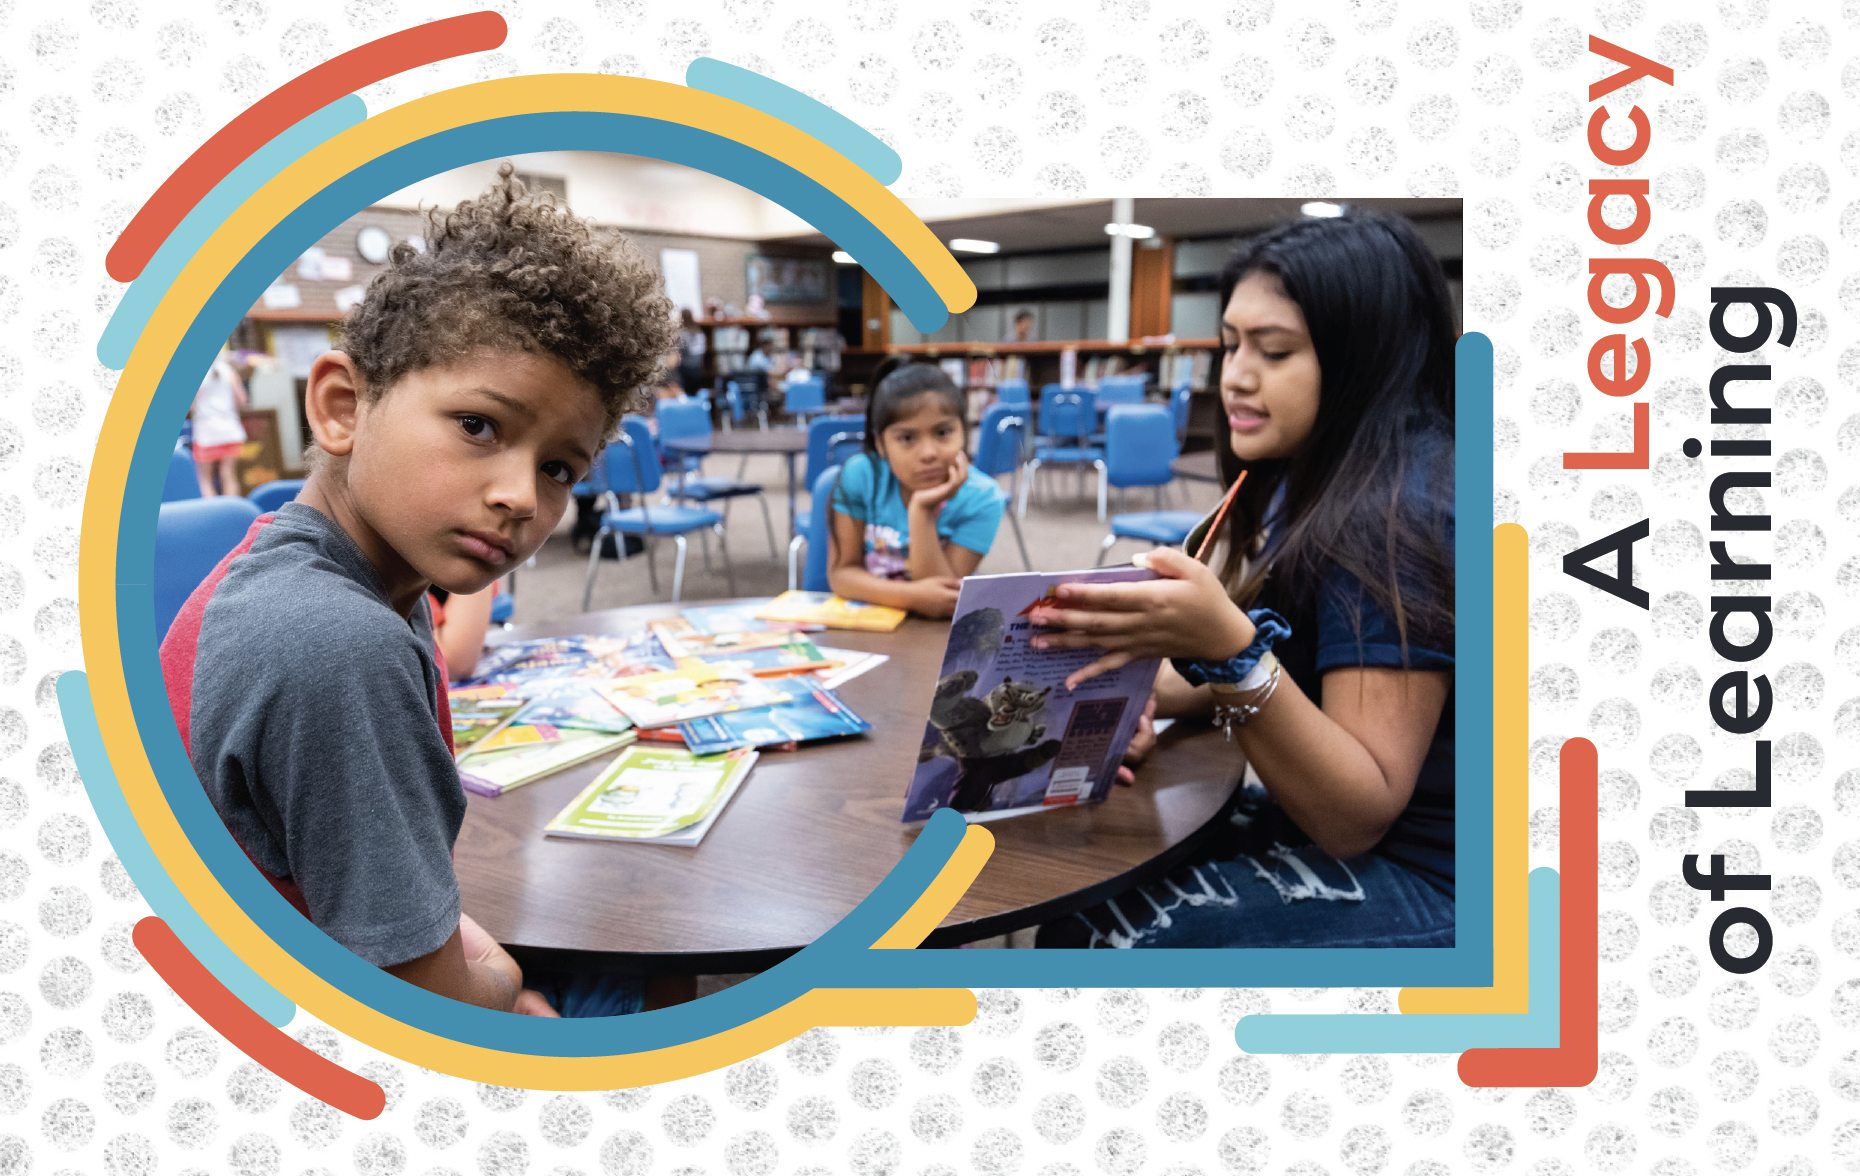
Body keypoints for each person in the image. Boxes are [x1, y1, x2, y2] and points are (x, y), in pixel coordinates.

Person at [160, 163, 677, 1015]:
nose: (521, 496)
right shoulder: (335, 643)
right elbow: (425, 1004)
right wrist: (504, 985)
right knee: (645, 975)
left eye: (558, 468)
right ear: (340, 407)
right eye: (479, 426)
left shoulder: (307, 571)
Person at [1031, 211, 1458, 950]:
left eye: (1276, 351)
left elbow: (1357, 813)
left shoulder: (1397, 515)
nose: (1236, 376)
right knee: (1079, 872)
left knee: (1099, 937)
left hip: (1441, 880)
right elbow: (1303, 672)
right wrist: (1133, 686)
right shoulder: (1327, 476)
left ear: (1367, 359)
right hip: (1347, 832)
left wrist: (1228, 647)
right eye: (1229, 345)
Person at [827, 360, 1006, 619]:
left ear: (964, 432)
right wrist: (913, 597)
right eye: (907, 438)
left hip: (933, 637)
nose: (928, 453)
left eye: (943, 432)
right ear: (880, 443)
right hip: (869, 625)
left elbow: (943, 602)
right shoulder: (861, 476)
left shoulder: (982, 497)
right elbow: (841, 575)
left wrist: (922, 510)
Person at [191, 351, 249, 496]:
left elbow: (191, 406)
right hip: (230, 429)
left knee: (205, 479)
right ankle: (231, 514)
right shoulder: (229, 371)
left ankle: (212, 515)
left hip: (206, 431)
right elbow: (242, 399)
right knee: (228, 475)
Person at [676, 308, 707, 396]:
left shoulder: (683, 333)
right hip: (699, 367)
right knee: (696, 393)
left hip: (686, 368)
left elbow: (681, 350)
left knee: (687, 393)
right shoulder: (699, 331)